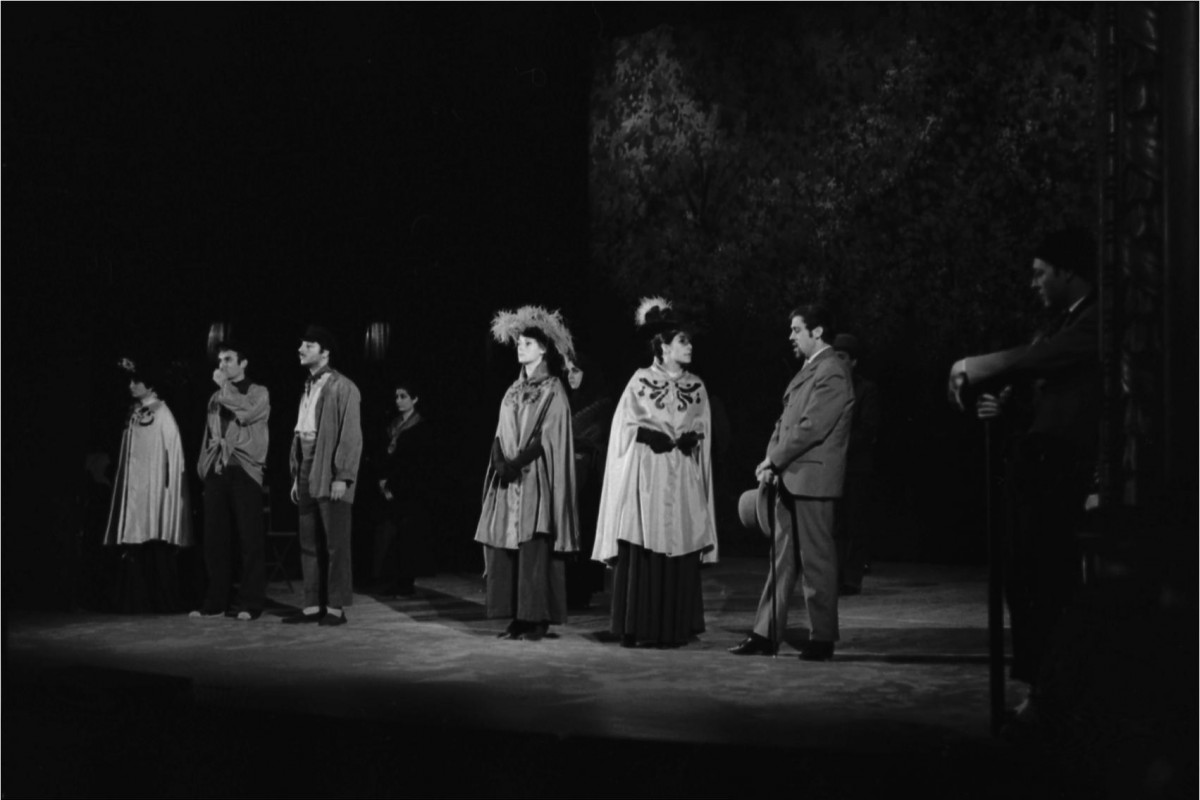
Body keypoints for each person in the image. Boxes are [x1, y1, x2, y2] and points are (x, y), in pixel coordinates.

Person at [947, 228, 1100, 721]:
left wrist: (977, 366)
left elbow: (1047, 361)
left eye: (1040, 273)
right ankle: (1042, 686)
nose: (1034, 283)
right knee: (1027, 580)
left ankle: (1051, 693)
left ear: (1067, 271)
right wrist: (1005, 407)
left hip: (1064, 472)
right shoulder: (1064, 321)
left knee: (1045, 582)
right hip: (1043, 468)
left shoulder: (1097, 318)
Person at [729, 304, 854, 661]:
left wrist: (776, 459)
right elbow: (785, 422)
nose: (791, 336)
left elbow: (812, 427)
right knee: (780, 561)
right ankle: (765, 633)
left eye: (797, 329)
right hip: (791, 477)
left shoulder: (832, 371)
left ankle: (822, 638)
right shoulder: (810, 369)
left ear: (818, 332)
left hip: (813, 480)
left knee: (816, 562)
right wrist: (771, 461)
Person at [593, 298, 718, 648]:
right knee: (646, 543)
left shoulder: (697, 386)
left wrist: (694, 439)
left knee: (680, 542)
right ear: (664, 347)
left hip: (683, 478)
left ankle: (676, 626)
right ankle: (640, 625)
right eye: (682, 341)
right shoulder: (640, 380)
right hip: (648, 477)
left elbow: (704, 430)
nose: (690, 347)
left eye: (689, 341)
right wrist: (645, 435)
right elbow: (622, 428)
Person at [475, 306, 579, 641]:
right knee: (508, 549)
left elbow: (549, 436)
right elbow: (499, 431)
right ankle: (517, 617)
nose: (521, 348)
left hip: (534, 479)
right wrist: (499, 462)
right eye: (519, 343)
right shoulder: (512, 389)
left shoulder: (553, 389)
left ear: (543, 348)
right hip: (508, 480)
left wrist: (517, 463)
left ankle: (535, 618)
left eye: (528, 343)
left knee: (534, 549)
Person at [285, 325, 362, 626]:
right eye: (301, 344)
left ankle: (335, 607)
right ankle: (311, 604)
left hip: (329, 466)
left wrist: (342, 475)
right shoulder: (307, 385)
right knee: (308, 540)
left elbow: (351, 435)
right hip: (306, 465)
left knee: (335, 543)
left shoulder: (344, 386)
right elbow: (300, 431)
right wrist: (297, 475)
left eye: (309, 345)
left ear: (325, 352)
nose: (301, 349)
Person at [104, 356, 195, 611]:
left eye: (137, 381)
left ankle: (159, 596)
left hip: (154, 491)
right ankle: (131, 598)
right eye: (131, 381)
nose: (131, 386)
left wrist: (169, 493)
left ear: (151, 384)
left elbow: (173, 455)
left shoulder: (162, 413)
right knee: (134, 540)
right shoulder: (133, 413)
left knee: (152, 539)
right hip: (135, 489)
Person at [190, 342, 270, 621]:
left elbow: (246, 412)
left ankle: (250, 602)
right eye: (220, 360)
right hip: (218, 469)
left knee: (249, 539)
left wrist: (225, 388)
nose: (222, 364)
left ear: (243, 363)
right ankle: (216, 602)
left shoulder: (258, 392)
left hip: (245, 470)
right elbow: (208, 433)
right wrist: (204, 467)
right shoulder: (216, 396)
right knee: (215, 539)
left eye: (228, 359)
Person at [373, 376, 435, 596]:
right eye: (397, 397)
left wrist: (396, 484)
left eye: (403, 396)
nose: (398, 400)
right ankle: (391, 578)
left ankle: (406, 582)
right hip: (390, 485)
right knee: (390, 534)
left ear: (414, 399)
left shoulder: (421, 426)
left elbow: (418, 462)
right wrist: (384, 481)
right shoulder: (392, 425)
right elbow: (385, 456)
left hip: (410, 488)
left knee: (408, 536)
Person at [832, 333, 881, 595]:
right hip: (834, 467)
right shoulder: (830, 387)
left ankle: (851, 578)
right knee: (836, 524)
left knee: (855, 523)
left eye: (842, 357)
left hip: (856, 467)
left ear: (853, 361)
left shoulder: (866, 389)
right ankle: (836, 575)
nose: (837, 362)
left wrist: (838, 444)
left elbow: (867, 429)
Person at [564, 353, 613, 609]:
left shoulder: (602, 406)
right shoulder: (568, 402)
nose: (570, 376)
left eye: (575, 370)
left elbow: (599, 440)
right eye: (567, 371)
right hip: (569, 478)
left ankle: (581, 591)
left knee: (584, 531)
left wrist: (575, 444)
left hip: (590, 480)